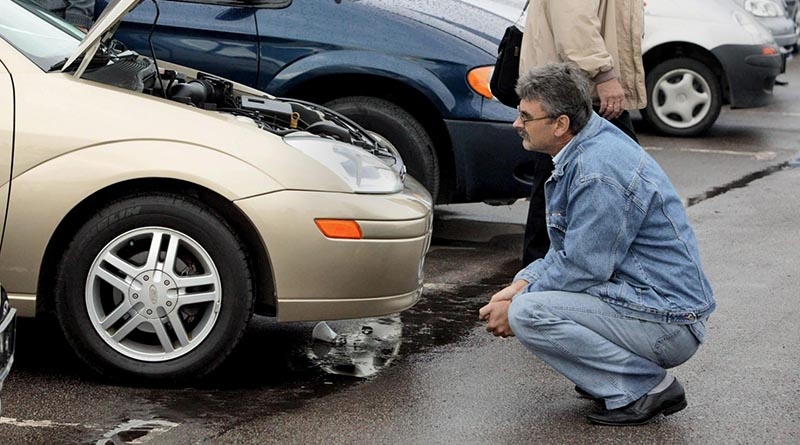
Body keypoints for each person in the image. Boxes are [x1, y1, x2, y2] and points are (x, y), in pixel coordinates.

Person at [479, 63, 715, 426]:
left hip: (669, 324)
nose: (516, 124)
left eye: (526, 116)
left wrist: (517, 304)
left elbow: (583, 267)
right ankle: (613, 378)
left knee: (529, 314)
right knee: (525, 300)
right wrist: (518, 285)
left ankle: (646, 387)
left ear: (560, 124)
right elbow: (568, 250)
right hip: (652, 306)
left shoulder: (598, 172)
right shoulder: (588, 142)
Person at [520, 0, 646, 266]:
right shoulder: (593, 83)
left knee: (558, 186)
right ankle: (536, 286)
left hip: (576, 91)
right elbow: (574, 21)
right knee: (632, 182)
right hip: (582, 92)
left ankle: (536, 284)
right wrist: (604, 75)